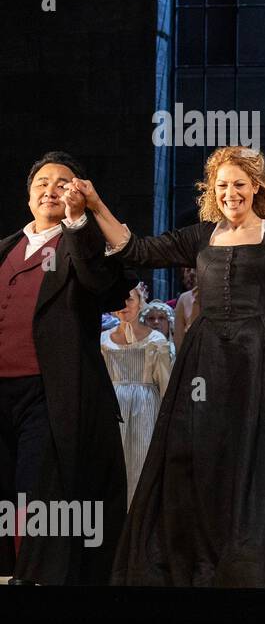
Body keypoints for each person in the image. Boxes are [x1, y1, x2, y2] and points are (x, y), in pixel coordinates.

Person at [76, 146, 265, 588]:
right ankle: (203, 557)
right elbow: (136, 249)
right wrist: (95, 205)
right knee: (202, 454)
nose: (231, 192)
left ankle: (255, 558)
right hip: (207, 354)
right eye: (222, 185)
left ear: (255, 189)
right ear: (212, 190)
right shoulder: (201, 236)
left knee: (260, 452)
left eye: (240, 184)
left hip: (260, 354)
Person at [0, 153, 131, 585]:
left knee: (39, 489)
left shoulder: (82, 243)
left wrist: (79, 223)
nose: (50, 188)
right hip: (3, 390)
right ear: (28, 193)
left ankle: (36, 580)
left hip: (53, 392)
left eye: (63, 182)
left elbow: (104, 286)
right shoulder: (5, 249)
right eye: (42, 181)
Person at [100, 282, 173, 507]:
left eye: (130, 299)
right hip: (113, 411)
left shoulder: (156, 341)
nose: (124, 305)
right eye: (119, 300)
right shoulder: (103, 341)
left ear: (140, 302)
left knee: (142, 466)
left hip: (145, 410)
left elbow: (166, 385)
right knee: (113, 468)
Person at [172, 267, 200, 350]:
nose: (191, 274)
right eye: (188, 270)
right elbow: (179, 342)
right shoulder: (184, 299)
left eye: (195, 268)